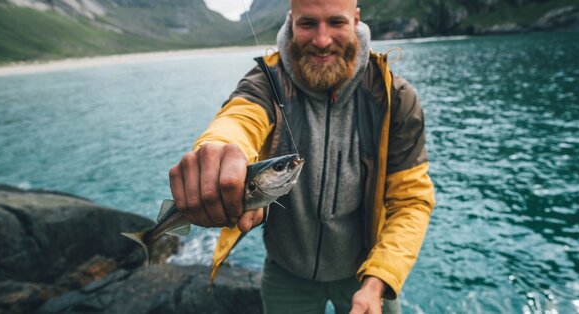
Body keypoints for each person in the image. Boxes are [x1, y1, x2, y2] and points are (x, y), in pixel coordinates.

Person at [168, 0, 435, 313]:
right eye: (308, 23)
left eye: (336, 22)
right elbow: (239, 119)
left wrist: (379, 280)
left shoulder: (394, 97)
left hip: (366, 272)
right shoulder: (264, 82)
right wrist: (219, 148)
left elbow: (411, 200)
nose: (322, 40)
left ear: (356, 19)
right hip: (286, 273)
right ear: (291, 21)